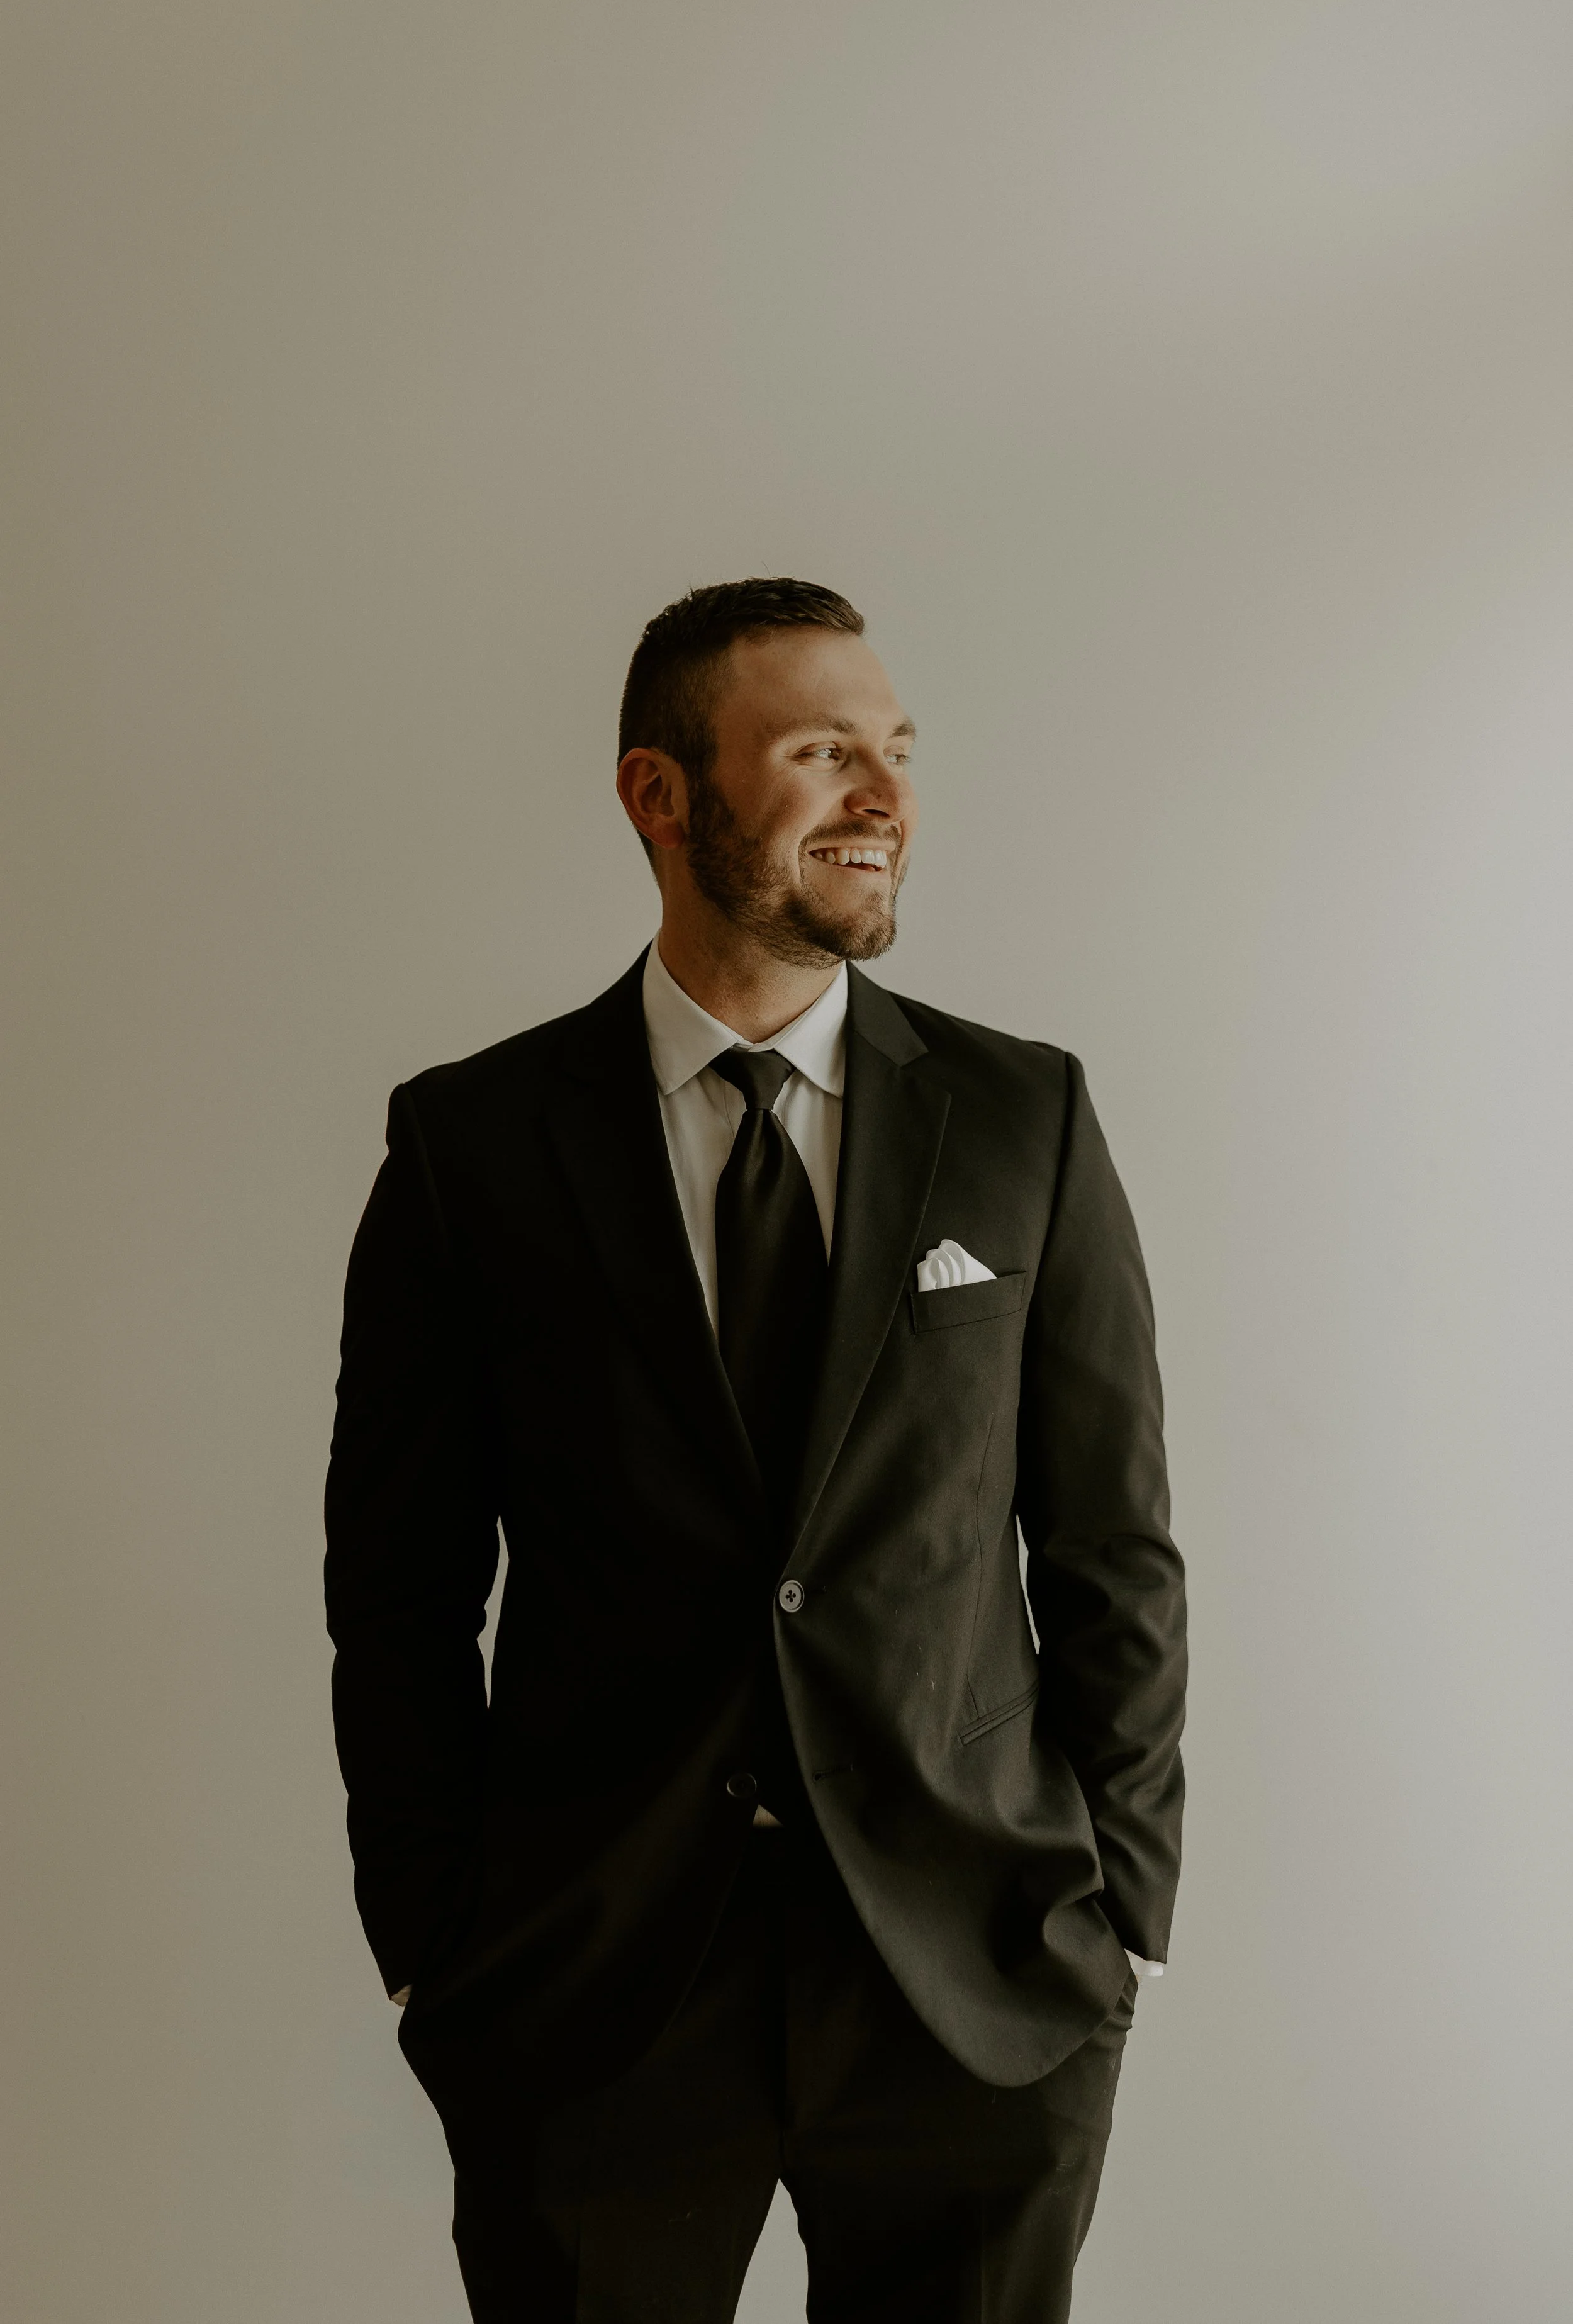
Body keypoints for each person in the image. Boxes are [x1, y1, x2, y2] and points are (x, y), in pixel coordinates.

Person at [324, 577, 1186, 2323]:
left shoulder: (1022, 1116)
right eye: (820, 752)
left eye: (897, 750)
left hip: (975, 1978)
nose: (885, 796)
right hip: (596, 1987)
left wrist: (1121, 1917)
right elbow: (398, 1587)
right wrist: (431, 1938)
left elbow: (1109, 1542)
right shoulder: (473, 1145)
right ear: (659, 794)